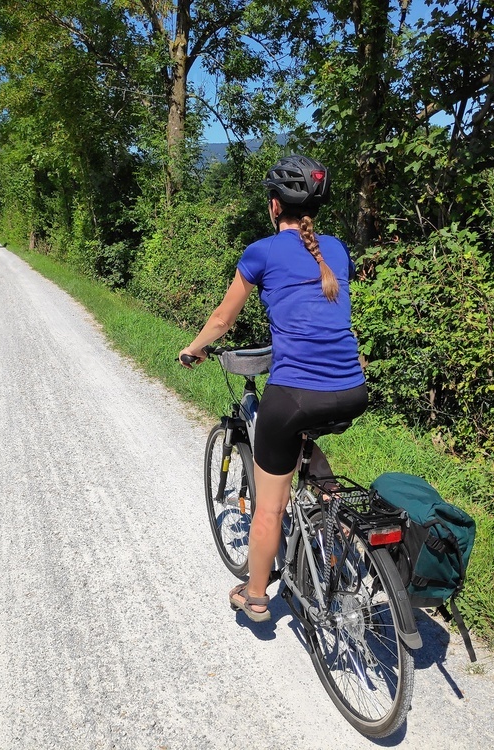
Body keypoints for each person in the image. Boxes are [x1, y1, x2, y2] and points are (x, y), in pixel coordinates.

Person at [179, 154, 368, 622]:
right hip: (352, 389)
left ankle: (257, 594)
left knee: (269, 504)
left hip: (296, 393)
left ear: (272, 207)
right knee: (306, 435)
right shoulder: (337, 251)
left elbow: (224, 319)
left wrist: (194, 348)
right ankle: (336, 525)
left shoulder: (260, 252)